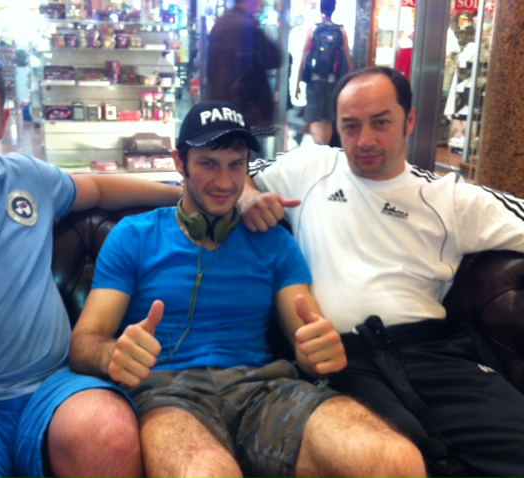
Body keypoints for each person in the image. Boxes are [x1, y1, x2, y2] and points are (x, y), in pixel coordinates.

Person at [69, 99, 428, 478]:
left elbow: (308, 342)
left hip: (265, 388)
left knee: (397, 461)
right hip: (167, 395)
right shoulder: (134, 237)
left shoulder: (275, 243)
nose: (225, 182)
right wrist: (111, 354)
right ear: (179, 162)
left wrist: (320, 352)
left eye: (236, 165)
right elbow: (83, 343)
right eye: (209, 164)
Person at [0, 39, 181, 478]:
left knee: (109, 433)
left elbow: (99, 188)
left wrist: (190, 195)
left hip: (54, 388)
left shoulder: (24, 177)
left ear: (4, 122)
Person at [241, 66, 524, 478]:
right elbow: (233, 176)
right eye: (350, 126)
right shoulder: (310, 166)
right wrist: (246, 197)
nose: (365, 140)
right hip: (340, 359)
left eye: (381, 122)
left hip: (431, 354)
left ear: (409, 120)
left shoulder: (445, 198)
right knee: (392, 462)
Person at [206, 0, 282, 131]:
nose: (259, 4)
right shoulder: (246, 25)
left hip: (221, 103)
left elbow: (212, 67)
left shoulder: (221, 23)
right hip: (245, 106)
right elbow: (274, 58)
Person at [295, 0, 353, 146]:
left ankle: (319, 145)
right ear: (334, 9)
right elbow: (347, 57)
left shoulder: (314, 29)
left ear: (320, 9)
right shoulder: (340, 31)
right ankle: (325, 148)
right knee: (328, 118)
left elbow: (304, 57)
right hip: (333, 81)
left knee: (314, 117)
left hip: (314, 81)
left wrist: (298, 83)